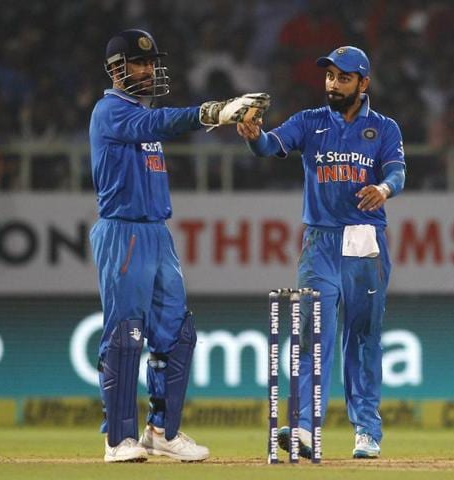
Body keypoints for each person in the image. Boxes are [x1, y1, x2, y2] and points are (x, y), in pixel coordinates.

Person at [89, 28, 269, 463]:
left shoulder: (140, 115)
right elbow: (159, 122)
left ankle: (161, 431)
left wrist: (232, 120)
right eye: (139, 63)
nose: (149, 69)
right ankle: (118, 439)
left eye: (151, 63)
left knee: (177, 332)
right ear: (117, 69)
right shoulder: (110, 111)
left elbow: (159, 123)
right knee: (126, 333)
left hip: (156, 233)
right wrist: (213, 111)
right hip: (123, 231)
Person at [238, 46, 406, 459]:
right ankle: (304, 428)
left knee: (363, 338)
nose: (333, 84)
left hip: (364, 239)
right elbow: (270, 146)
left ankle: (366, 431)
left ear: (363, 83)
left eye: (343, 78)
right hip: (319, 243)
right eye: (329, 76)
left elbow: (397, 172)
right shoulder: (309, 122)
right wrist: (255, 135)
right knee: (311, 338)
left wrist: (382, 189)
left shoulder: (384, 128)